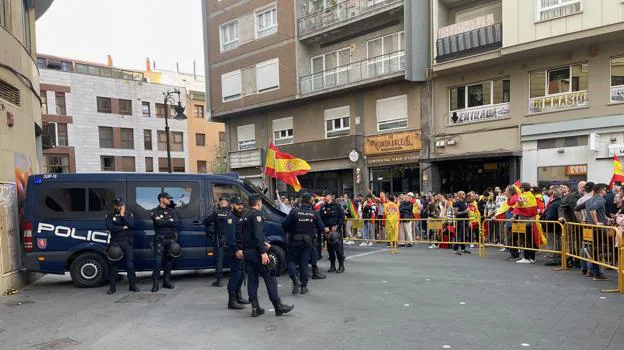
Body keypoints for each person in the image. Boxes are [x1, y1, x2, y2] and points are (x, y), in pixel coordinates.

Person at [243, 194, 294, 317]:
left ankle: (255, 308)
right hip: (257, 252)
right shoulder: (257, 215)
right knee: (270, 277)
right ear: (258, 203)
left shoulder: (244, 216)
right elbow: (258, 234)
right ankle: (278, 306)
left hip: (247, 252)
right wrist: (263, 252)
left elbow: (246, 235)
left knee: (252, 279)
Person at [282, 193, 325, 295]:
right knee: (303, 263)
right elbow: (322, 228)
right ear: (310, 201)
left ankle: (295, 279)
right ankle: (304, 286)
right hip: (307, 243)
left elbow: (284, 225)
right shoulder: (313, 213)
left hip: (294, 241)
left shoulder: (294, 212)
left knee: (291, 261)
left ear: (301, 201)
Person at [105, 198, 138, 294]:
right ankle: (112, 287)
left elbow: (131, 225)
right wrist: (122, 227)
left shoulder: (128, 214)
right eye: (119, 205)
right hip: (115, 242)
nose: (121, 207)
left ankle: (132, 286)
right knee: (114, 265)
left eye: (122, 205)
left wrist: (123, 216)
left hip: (126, 241)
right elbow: (110, 227)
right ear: (115, 206)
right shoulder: (110, 215)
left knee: (130, 264)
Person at [150, 192, 181, 293]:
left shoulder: (172, 211)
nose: (169, 200)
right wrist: (169, 221)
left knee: (169, 261)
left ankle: (166, 281)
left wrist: (164, 220)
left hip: (171, 239)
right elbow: (158, 223)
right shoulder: (154, 211)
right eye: (167, 198)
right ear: (161, 199)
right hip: (160, 239)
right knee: (157, 262)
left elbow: (177, 223)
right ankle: (155, 284)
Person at [203, 196, 232, 288]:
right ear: (227, 203)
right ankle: (234, 277)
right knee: (234, 259)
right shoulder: (232, 213)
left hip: (219, 240)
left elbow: (206, 221)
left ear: (219, 203)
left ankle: (219, 281)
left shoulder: (216, 213)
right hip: (231, 240)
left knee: (219, 261)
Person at [226, 196, 249, 309]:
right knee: (235, 275)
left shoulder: (240, 216)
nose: (240, 206)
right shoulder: (231, 218)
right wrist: (236, 250)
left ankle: (238, 296)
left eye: (241, 204)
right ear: (232, 205)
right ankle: (232, 300)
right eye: (237, 204)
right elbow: (231, 237)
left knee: (241, 275)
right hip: (235, 251)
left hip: (241, 250)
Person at [320, 191, 346, 273]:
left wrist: (337, 226)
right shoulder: (323, 207)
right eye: (323, 196)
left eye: (326, 196)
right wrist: (324, 227)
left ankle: (341, 266)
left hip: (336, 232)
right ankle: (332, 266)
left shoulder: (337, 206)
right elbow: (320, 219)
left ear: (330, 196)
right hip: (327, 232)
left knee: (338, 249)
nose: (324, 197)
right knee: (330, 250)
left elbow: (342, 218)